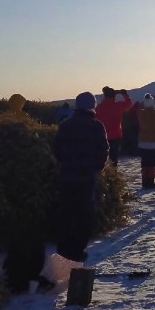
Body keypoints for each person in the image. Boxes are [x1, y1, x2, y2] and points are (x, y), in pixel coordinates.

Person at [53, 91, 109, 263]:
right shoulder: (97, 126)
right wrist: (96, 168)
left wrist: (64, 163)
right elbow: (104, 150)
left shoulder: (65, 125)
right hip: (86, 176)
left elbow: (56, 149)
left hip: (67, 173)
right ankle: (77, 250)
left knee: (66, 212)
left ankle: (63, 249)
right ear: (92, 106)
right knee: (83, 214)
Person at [96, 86, 132, 166]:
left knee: (102, 158)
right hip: (116, 135)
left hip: (103, 135)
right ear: (114, 96)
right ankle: (113, 174)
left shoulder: (99, 107)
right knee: (114, 158)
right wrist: (125, 94)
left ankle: (105, 174)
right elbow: (129, 104)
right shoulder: (117, 106)